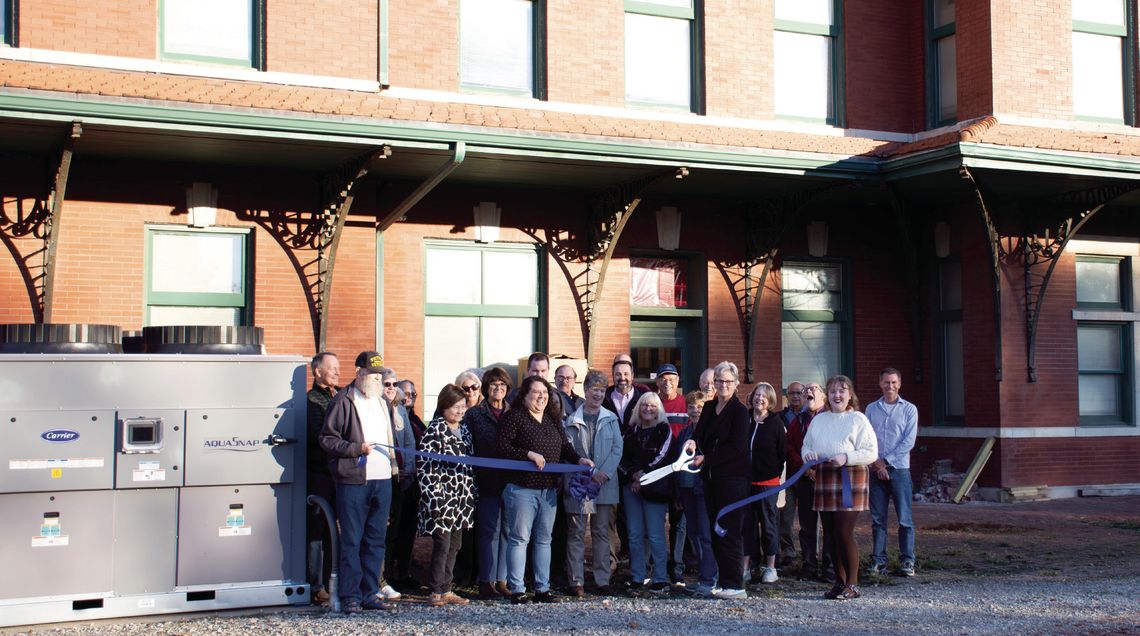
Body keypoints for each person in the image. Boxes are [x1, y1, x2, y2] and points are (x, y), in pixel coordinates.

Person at [497, 375, 594, 604]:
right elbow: (501, 447)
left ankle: (542, 588)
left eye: (544, 392)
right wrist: (528, 454)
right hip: (522, 488)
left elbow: (565, 447)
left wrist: (579, 460)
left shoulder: (551, 420)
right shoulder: (514, 418)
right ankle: (518, 589)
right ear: (525, 395)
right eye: (536, 392)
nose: (541, 396)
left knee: (544, 540)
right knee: (520, 538)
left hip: (548, 490)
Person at [319, 351, 397, 613]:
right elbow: (327, 439)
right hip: (354, 480)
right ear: (359, 373)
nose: (376, 379)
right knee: (352, 539)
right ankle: (350, 595)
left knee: (376, 539)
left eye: (379, 374)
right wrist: (356, 448)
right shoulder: (344, 401)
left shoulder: (381, 401)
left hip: (382, 478)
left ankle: (369, 592)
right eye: (371, 374)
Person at [801, 374, 878, 601]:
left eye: (842, 391)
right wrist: (809, 455)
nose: (837, 395)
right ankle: (839, 582)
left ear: (849, 394)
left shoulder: (858, 420)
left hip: (850, 477)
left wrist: (847, 457)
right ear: (827, 395)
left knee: (844, 532)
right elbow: (806, 445)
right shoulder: (819, 420)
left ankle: (853, 584)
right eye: (833, 391)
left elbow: (871, 452)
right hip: (825, 476)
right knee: (831, 534)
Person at [685, 360, 751, 599]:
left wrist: (707, 459)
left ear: (736, 384)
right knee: (715, 531)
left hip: (733, 480)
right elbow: (698, 433)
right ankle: (723, 583)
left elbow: (736, 447)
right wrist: (693, 442)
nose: (722, 385)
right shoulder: (711, 407)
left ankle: (736, 585)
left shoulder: (740, 412)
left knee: (729, 531)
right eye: (719, 381)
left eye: (727, 381)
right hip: (711, 480)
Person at [562, 370, 623, 596]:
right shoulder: (571, 421)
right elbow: (568, 450)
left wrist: (603, 473)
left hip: (605, 484)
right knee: (576, 532)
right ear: (585, 390)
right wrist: (589, 472)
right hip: (579, 485)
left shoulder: (611, 419)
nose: (598, 394)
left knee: (601, 532)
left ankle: (602, 579)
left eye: (602, 390)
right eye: (594, 389)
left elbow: (618, 449)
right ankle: (576, 581)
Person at [418, 384, 477, 606]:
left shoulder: (465, 431)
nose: (460, 411)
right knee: (442, 545)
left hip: (461, 499)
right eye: (456, 407)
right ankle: (435, 590)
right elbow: (426, 468)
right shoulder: (434, 431)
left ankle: (447, 588)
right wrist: (434, 499)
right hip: (442, 498)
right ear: (444, 406)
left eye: (463, 406)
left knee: (455, 545)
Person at [618, 392, 675, 594]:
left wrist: (643, 477)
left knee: (655, 534)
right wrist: (634, 475)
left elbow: (663, 457)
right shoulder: (630, 431)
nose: (648, 409)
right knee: (634, 534)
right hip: (631, 488)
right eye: (644, 405)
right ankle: (637, 576)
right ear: (638, 408)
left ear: (658, 408)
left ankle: (660, 577)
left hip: (655, 488)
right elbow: (621, 456)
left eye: (652, 406)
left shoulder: (664, 430)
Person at [465, 367, 514, 599]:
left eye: (502, 385)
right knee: (488, 531)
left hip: (510, 481)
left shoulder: (513, 413)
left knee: (507, 530)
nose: (498, 389)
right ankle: (486, 580)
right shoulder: (474, 414)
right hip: (485, 480)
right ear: (486, 388)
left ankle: (501, 580)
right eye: (494, 385)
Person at [865, 368, 918, 577]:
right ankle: (879, 560)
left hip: (900, 471)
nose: (890, 386)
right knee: (878, 520)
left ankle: (907, 561)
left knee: (905, 519)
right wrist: (876, 465)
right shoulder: (871, 408)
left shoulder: (909, 410)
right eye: (886, 382)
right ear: (880, 383)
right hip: (875, 471)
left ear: (900, 383)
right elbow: (866, 438)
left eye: (894, 382)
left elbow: (908, 441)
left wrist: (884, 463)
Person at [376, 368, 415, 601]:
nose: (390, 388)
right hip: (381, 476)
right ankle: (379, 576)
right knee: (381, 530)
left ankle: (391, 574)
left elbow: (408, 442)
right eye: (386, 384)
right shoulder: (373, 409)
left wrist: (409, 470)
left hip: (401, 479)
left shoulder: (401, 410)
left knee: (396, 530)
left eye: (393, 384)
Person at [306, 351, 339, 606]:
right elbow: (318, 436)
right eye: (332, 368)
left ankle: (331, 578)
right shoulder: (311, 401)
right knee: (317, 529)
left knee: (332, 531)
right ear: (317, 372)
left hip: (338, 473)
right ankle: (316, 584)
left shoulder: (338, 397)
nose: (337, 373)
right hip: (320, 474)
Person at [787, 381, 829, 581]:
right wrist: (805, 469)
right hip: (805, 478)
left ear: (823, 396)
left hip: (828, 479)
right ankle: (809, 565)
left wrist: (818, 470)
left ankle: (829, 566)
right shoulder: (798, 420)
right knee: (807, 525)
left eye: (814, 389)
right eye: (806, 390)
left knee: (829, 525)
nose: (808, 392)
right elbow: (790, 447)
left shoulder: (830, 418)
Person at [676, 391, 718, 596]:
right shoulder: (684, 434)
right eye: (691, 407)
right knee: (693, 534)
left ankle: (710, 579)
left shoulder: (710, 433)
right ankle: (702, 576)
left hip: (704, 490)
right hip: (686, 490)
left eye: (699, 407)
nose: (695, 410)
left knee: (705, 534)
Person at [745, 382, 786, 585]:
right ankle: (747, 566)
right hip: (745, 482)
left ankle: (771, 567)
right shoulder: (745, 419)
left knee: (768, 524)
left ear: (770, 400)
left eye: (764, 395)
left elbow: (781, 453)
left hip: (767, 483)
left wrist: (773, 475)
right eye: (756, 394)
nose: (759, 398)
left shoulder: (776, 423)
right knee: (747, 525)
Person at [389, 379, 426, 588]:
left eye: (413, 394)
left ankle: (404, 571)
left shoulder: (416, 420)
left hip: (414, 481)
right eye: (405, 393)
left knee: (408, 531)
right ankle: (391, 574)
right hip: (396, 480)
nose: (409, 397)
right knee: (394, 531)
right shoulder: (392, 415)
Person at [655, 363, 688, 586]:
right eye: (663, 378)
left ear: (678, 381)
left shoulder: (685, 405)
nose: (668, 382)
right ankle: (655, 566)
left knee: (679, 523)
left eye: (672, 378)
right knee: (656, 522)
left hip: (681, 470)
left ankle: (677, 568)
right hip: (658, 471)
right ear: (657, 382)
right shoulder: (652, 404)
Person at [777, 381, 805, 566]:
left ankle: (810, 553)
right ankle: (788, 551)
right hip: (786, 472)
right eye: (792, 393)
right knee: (785, 515)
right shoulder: (779, 417)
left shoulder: (811, 417)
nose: (795, 396)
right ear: (786, 396)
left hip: (807, 472)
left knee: (808, 515)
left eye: (799, 393)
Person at [603, 358, 648, 430]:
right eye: (618, 374)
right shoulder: (603, 399)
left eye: (626, 374)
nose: (622, 378)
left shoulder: (643, 399)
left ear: (632, 376)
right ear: (613, 376)